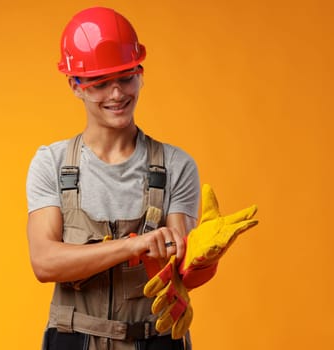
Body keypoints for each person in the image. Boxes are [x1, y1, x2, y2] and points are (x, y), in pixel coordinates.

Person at [26, 7, 201, 350]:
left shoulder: (177, 166)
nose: (117, 94)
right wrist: (131, 246)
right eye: (100, 84)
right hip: (73, 340)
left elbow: (181, 262)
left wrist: (203, 254)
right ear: (75, 86)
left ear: (140, 73)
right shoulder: (52, 164)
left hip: (155, 341)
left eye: (125, 77)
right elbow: (44, 261)